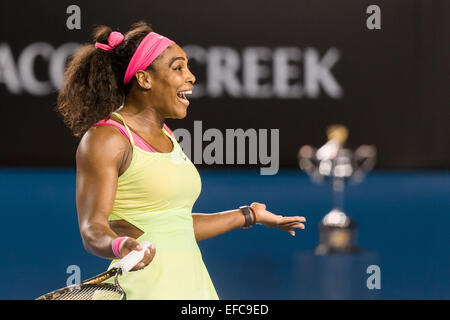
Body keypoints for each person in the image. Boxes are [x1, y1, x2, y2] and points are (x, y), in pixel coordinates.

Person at [56, 21, 306, 300]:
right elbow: (92, 228)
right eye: (178, 68)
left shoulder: (166, 134)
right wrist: (121, 245)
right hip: (147, 290)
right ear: (144, 79)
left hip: (195, 287)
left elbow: (175, 227)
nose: (191, 77)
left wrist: (249, 215)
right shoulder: (106, 139)